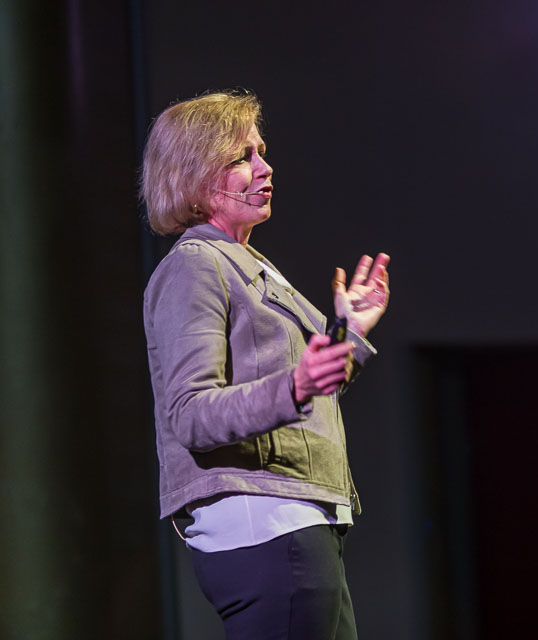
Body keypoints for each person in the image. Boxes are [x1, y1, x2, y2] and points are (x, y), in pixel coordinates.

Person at [141, 90, 389, 640]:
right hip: (267, 526)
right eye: (241, 157)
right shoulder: (196, 266)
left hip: (300, 519)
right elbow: (192, 413)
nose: (264, 167)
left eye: (262, 152)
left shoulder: (247, 262)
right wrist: (298, 383)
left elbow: (302, 388)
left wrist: (347, 334)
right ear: (194, 175)